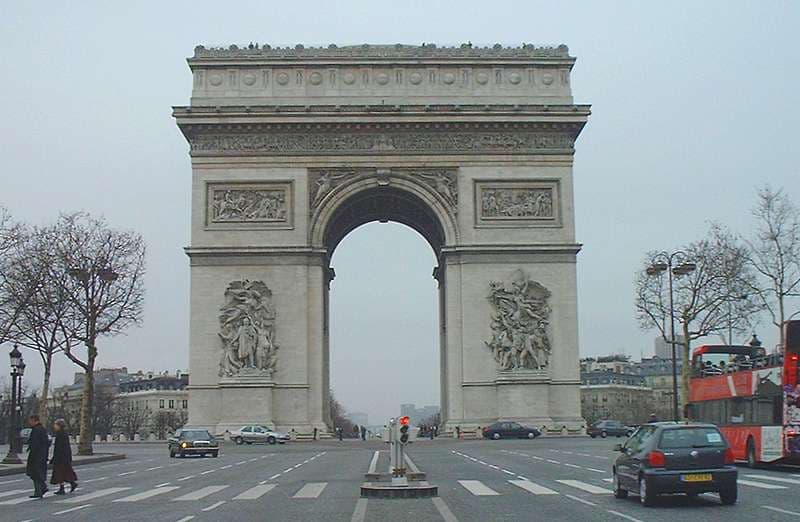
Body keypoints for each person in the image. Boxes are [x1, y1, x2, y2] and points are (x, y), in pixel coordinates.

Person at [50, 419, 77, 495]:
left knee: (59, 473)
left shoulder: (60, 434)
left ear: (59, 426)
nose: (54, 426)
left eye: (55, 425)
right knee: (65, 472)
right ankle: (72, 483)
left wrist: (54, 457)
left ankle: (62, 488)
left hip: (61, 457)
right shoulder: (64, 434)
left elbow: (59, 448)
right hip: (65, 456)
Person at [25, 414, 50, 498]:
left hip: (36, 455)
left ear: (34, 420)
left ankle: (41, 488)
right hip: (42, 455)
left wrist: (31, 452)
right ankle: (40, 489)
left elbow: (35, 444)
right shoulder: (42, 429)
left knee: (35, 473)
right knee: (37, 473)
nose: (29, 422)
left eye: (30, 421)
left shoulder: (36, 430)